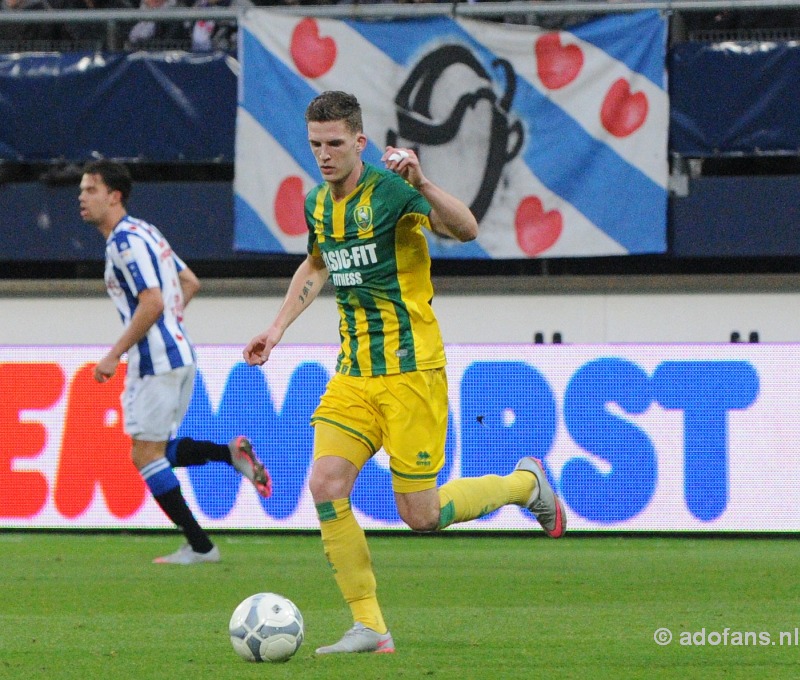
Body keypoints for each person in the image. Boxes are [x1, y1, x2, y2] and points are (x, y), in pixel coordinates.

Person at [243, 90, 566, 654]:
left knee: (419, 514)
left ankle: (526, 484)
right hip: (353, 374)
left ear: (360, 142)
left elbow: (465, 229)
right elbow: (318, 263)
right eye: (315, 144)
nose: (324, 155)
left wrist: (423, 183)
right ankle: (370, 626)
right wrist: (277, 329)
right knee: (324, 483)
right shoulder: (318, 204)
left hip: (412, 372)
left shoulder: (391, 191)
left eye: (335, 144)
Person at [80, 159, 272, 565]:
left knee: (145, 455)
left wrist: (115, 354)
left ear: (114, 196)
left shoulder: (122, 242)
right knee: (157, 449)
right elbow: (190, 282)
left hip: (157, 362)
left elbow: (151, 300)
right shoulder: (146, 230)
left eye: (90, 189)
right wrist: (170, 325)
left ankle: (201, 546)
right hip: (180, 355)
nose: (81, 197)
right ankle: (228, 455)